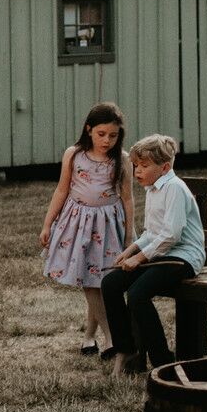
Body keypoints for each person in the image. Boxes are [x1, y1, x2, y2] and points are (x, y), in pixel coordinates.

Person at [100, 134, 206, 376]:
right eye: (136, 165)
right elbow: (151, 232)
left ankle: (163, 361)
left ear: (165, 167)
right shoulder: (152, 189)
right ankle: (127, 349)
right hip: (161, 255)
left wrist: (139, 258)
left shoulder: (175, 189)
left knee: (137, 294)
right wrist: (130, 250)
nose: (137, 171)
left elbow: (171, 235)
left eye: (144, 166)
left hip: (183, 257)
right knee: (111, 283)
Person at [39, 102, 135, 357]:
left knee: (102, 279)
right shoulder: (74, 154)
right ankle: (110, 336)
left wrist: (128, 235)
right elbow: (61, 189)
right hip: (79, 223)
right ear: (89, 129)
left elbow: (127, 199)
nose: (107, 141)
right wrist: (48, 223)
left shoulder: (122, 159)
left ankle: (89, 336)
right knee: (90, 281)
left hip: (108, 224)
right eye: (101, 134)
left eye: (113, 136)